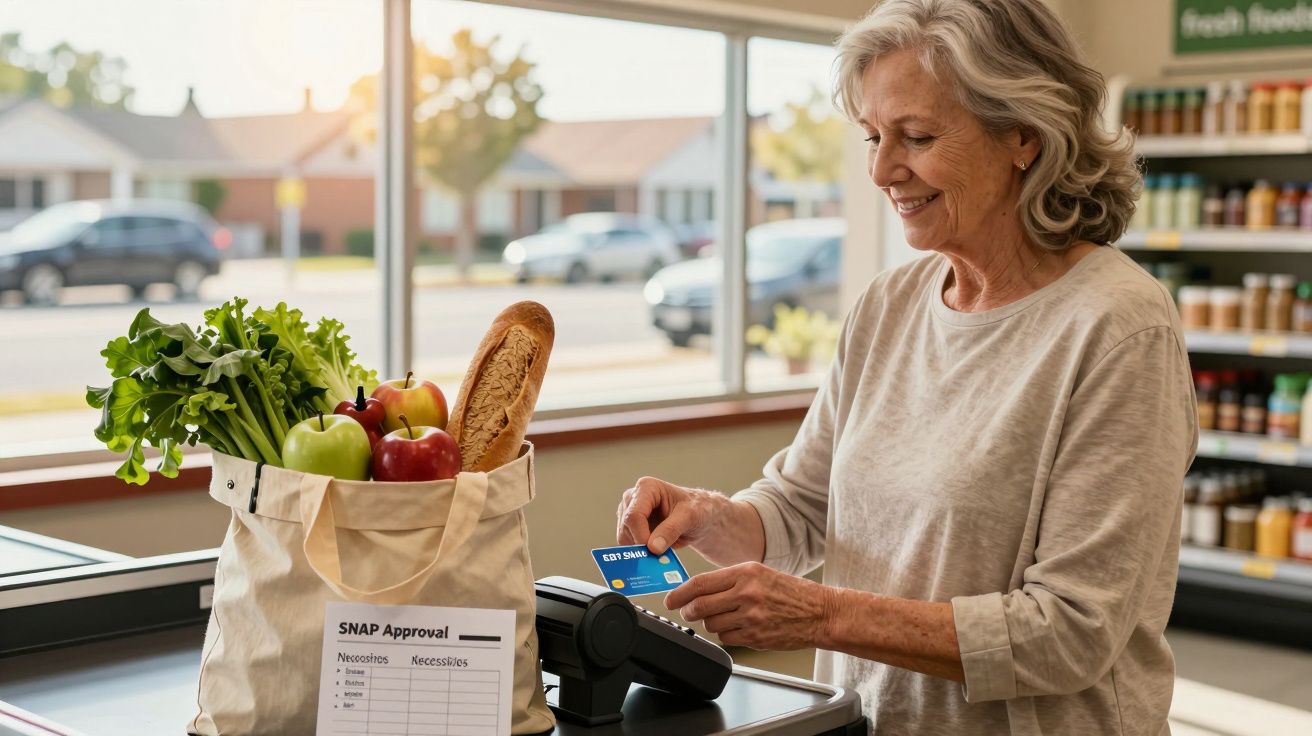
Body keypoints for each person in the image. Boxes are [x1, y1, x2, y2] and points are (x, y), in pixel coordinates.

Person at [615, 0, 1196, 733]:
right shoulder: (889, 305)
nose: (885, 169)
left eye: (916, 137)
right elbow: (802, 508)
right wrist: (706, 516)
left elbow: (1072, 633)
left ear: (1023, 134)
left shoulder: (1119, 329)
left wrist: (823, 614)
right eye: (873, 136)